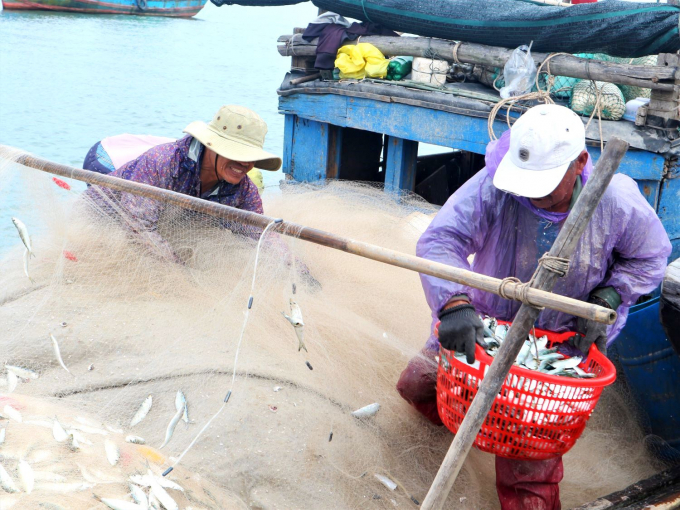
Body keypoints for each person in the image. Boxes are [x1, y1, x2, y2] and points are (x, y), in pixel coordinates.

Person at [397, 104, 671, 510]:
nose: (529, 191)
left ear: (579, 163)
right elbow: (441, 241)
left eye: (544, 182)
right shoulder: (494, 184)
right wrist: (454, 302)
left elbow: (648, 258)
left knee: (527, 471)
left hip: (560, 343)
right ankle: (462, 439)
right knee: (417, 385)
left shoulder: (617, 201)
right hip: (481, 323)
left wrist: (610, 295)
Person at [82, 105, 280, 263]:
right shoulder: (163, 162)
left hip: (159, 222)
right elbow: (138, 228)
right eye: (237, 153)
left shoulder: (244, 189)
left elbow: (260, 235)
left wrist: (298, 271)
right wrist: (181, 272)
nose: (245, 164)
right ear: (211, 145)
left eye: (250, 157)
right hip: (106, 203)